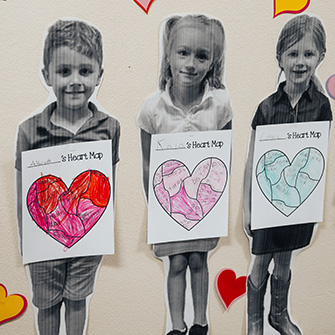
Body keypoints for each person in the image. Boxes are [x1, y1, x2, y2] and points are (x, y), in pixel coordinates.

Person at [15, 20, 120, 335]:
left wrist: (101, 230)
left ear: (99, 74)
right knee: (47, 302)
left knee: (77, 299)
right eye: (64, 72)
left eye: (85, 72)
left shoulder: (109, 128)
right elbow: (24, 192)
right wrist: (27, 241)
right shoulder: (29, 130)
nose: (75, 81)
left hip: (88, 236)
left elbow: (108, 185)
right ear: (46, 74)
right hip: (43, 237)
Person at [137, 14, 233, 335]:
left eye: (201, 56)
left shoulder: (220, 104)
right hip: (168, 204)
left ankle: (200, 322)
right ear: (169, 54)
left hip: (205, 202)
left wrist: (217, 199)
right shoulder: (153, 108)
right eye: (183, 53)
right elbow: (148, 163)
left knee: (198, 260)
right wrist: (157, 208)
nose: (191, 63)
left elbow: (225, 155)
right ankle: (176, 326)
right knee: (177, 263)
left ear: (213, 62)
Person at [243, 14, 332, 335]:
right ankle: (254, 321)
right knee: (260, 260)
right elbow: (252, 160)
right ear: (279, 57)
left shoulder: (322, 106)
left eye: (308, 54)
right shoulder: (267, 107)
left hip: (298, 201)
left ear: (321, 56)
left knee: (284, 259)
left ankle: (277, 315)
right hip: (267, 201)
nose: (300, 62)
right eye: (292, 54)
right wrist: (248, 209)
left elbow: (316, 160)